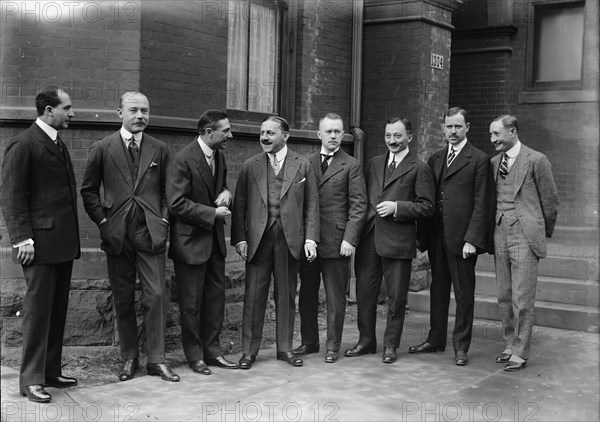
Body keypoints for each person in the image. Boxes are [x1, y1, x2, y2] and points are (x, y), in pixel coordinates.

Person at [81, 91, 178, 382]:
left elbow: (166, 191)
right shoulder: (102, 148)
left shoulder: (159, 149)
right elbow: (88, 191)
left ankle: (157, 360)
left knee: (157, 295)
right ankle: (129, 357)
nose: (140, 116)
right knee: (123, 297)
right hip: (117, 233)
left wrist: (162, 219)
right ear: (119, 113)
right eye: (134, 110)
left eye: (145, 111)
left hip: (150, 232)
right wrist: (103, 221)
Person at [1, 87, 80, 403]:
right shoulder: (23, 144)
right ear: (49, 110)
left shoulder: (56, 143)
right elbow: (12, 196)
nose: (72, 113)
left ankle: (49, 372)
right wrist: (22, 239)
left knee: (57, 310)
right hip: (38, 245)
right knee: (37, 311)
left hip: (61, 244)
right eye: (67, 108)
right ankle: (31, 379)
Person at [231, 115, 319, 369]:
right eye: (262, 133)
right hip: (258, 240)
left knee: (286, 295)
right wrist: (240, 239)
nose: (264, 138)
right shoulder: (251, 165)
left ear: (285, 136)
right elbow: (240, 206)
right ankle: (249, 351)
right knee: (254, 297)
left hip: (289, 239)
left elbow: (311, 206)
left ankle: (285, 348)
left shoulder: (302, 165)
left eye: (270, 133)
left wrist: (310, 239)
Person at [409, 107, 495, 366]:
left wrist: (473, 239)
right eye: (449, 127)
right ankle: (436, 339)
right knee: (438, 289)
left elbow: (483, 204)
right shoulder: (435, 159)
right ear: (443, 128)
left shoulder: (479, 159)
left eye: (458, 126)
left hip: (462, 238)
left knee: (464, 293)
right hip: (437, 235)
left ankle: (461, 346)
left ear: (467, 127)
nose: (453, 131)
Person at [345, 117, 435, 364]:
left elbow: (427, 207)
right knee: (365, 293)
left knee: (396, 297)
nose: (392, 141)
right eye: (388, 136)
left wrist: (398, 207)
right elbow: (361, 199)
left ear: (410, 137)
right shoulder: (374, 163)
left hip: (398, 240)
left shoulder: (419, 167)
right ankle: (366, 341)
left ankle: (391, 345)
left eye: (397, 136)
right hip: (369, 238)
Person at [166, 109, 238, 375]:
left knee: (215, 300)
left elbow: (221, 186)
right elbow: (176, 203)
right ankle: (195, 356)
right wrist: (212, 213)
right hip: (191, 245)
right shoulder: (183, 160)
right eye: (226, 130)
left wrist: (227, 193)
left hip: (214, 244)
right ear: (209, 133)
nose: (231, 135)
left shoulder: (219, 156)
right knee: (192, 304)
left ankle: (213, 352)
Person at [293, 113, 367, 363]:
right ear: (319, 135)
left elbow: (358, 206)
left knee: (335, 298)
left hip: (337, 242)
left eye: (338, 131)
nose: (334, 136)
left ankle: (333, 345)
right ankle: (309, 341)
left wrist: (350, 239)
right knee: (307, 294)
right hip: (310, 242)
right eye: (329, 132)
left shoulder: (351, 165)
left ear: (343, 134)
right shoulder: (306, 163)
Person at [489, 115, 559, 371]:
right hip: (500, 233)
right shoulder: (494, 162)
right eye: (491, 135)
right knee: (504, 295)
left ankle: (521, 350)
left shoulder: (537, 160)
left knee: (523, 297)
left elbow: (550, 201)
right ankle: (510, 344)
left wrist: (540, 231)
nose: (492, 140)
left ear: (513, 131)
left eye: (497, 134)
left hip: (525, 235)